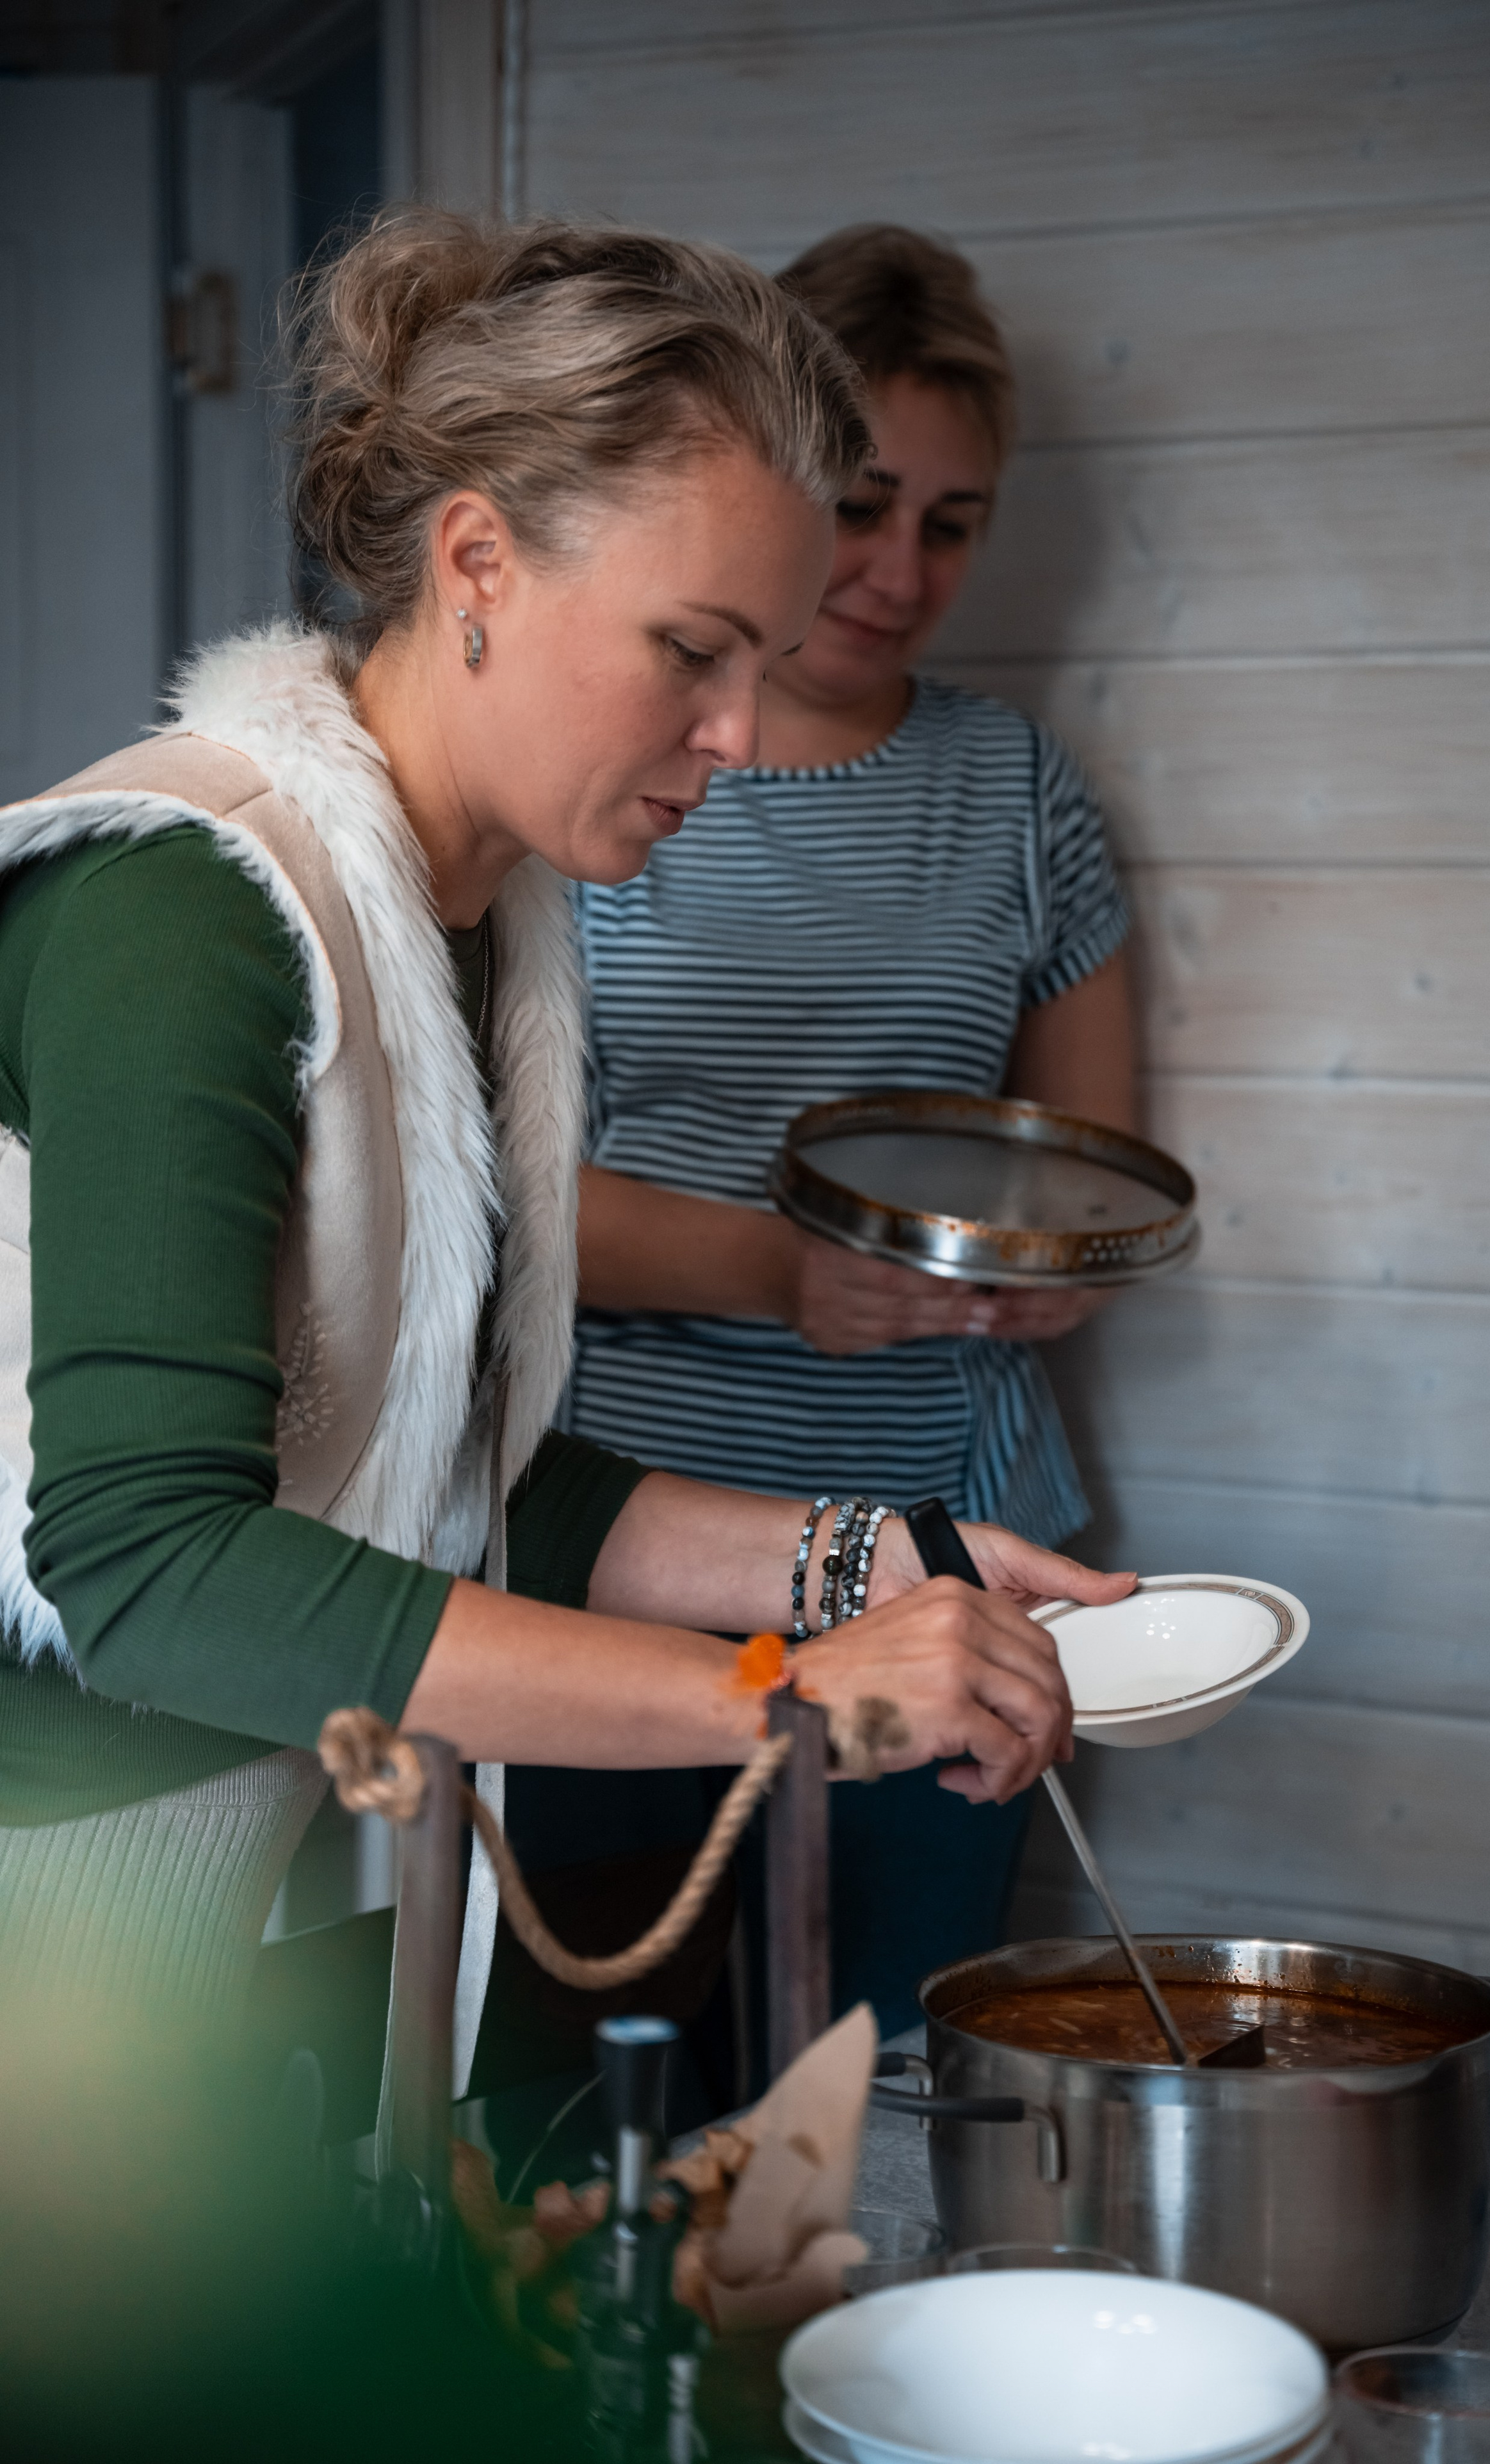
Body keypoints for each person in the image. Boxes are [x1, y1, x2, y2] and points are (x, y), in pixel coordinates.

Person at [0, 213, 1131, 2049]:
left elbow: (435, 1470)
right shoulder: (184, 912)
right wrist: (794, 1695)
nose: (739, 734)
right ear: (477, 562)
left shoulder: (475, 920)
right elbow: (146, 1569)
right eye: (691, 649)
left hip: (247, 1844)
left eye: (763, 658)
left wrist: (870, 1558)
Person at [561, 226, 1137, 2034]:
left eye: (952, 525)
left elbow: (1090, 1167)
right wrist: (778, 1274)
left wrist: (1057, 1276)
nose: (898, 572)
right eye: (863, 507)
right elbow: (480, 1201)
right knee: (609, 2083)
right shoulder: (603, 772)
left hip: (954, 1552)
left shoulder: (1018, 790)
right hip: (628, 1546)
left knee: (890, 2085)